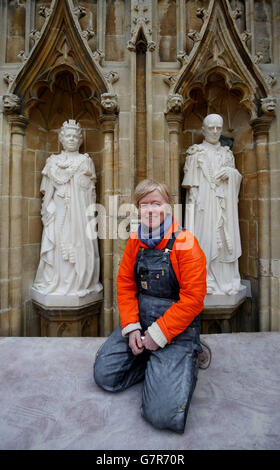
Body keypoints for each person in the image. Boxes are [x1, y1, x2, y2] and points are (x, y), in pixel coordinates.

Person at [94, 179, 208, 433]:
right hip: (142, 321)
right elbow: (124, 285)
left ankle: (187, 359)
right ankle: (154, 363)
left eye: (156, 203)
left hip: (176, 330)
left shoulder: (186, 243)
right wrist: (132, 328)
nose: (150, 210)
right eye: (143, 205)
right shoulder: (135, 241)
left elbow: (194, 298)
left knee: (160, 414)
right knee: (105, 375)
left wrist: (159, 335)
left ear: (168, 207)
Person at [32, 120, 102, 298]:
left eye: (75, 136)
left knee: (79, 245)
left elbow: (91, 193)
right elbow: (47, 193)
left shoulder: (85, 161)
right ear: (61, 139)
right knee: (58, 248)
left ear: (80, 140)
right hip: (59, 214)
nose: (71, 139)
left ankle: (79, 282)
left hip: (79, 214)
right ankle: (58, 283)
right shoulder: (52, 162)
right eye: (68, 136)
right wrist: (49, 210)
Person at [182, 114, 243, 296]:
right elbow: (191, 187)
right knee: (204, 239)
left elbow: (236, 181)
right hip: (203, 205)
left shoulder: (227, 154)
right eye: (211, 128)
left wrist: (230, 174)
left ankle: (225, 280)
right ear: (203, 130)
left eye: (219, 128)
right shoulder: (195, 152)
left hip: (224, 204)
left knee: (224, 241)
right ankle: (205, 279)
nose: (215, 132)